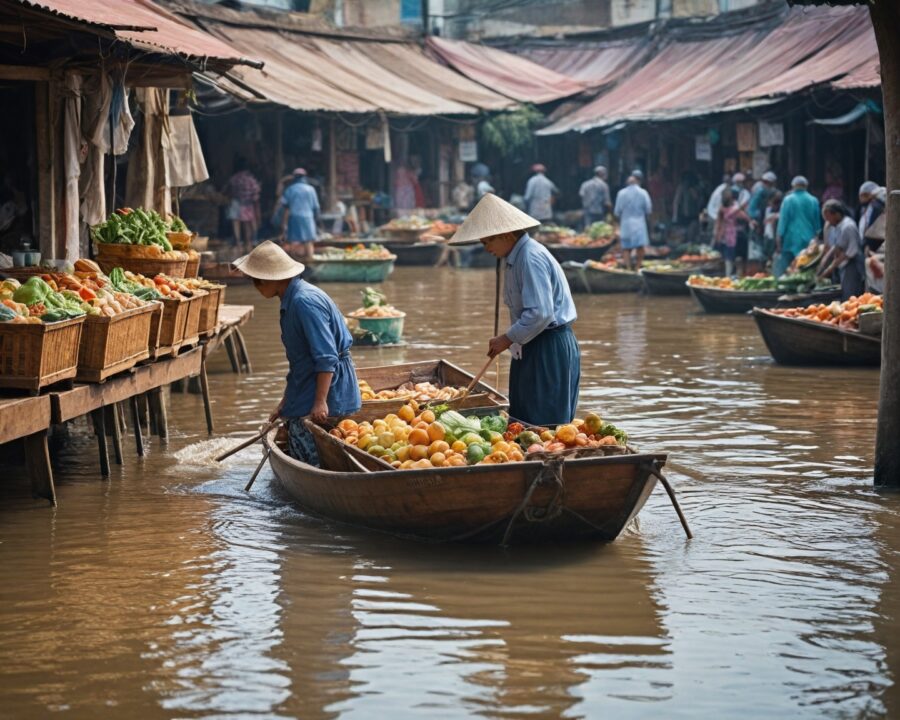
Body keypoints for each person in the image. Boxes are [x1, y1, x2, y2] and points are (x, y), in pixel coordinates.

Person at [448, 194, 579, 426]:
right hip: (531, 344)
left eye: (488, 242)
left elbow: (540, 313)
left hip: (547, 345)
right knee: (522, 418)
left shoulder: (530, 257)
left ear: (507, 235)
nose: (486, 248)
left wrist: (507, 338)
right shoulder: (515, 258)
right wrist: (510, 339)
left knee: (544, 422)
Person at [232, 240, 361, 466]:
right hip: (307, 382)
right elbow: (300, 360)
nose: (255, 286)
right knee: (295, 432)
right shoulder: (291, 299)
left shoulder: (303, 302)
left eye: (257, 280)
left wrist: (320, 402)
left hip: (329, 387)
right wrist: (285, 402)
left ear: (275, 279)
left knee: (310, 451)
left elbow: (326, 356)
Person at [817, 200, 865, 300]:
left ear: (836, 214)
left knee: (850, 296)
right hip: (843, 265)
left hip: (852, 265)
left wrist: (830, 269)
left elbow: (849, 252)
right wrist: (823, 263)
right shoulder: (837, 226)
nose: (828, 222)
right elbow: (836, 246)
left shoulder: (848, 226)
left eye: (828, 218)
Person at [775, 176, 821, 277]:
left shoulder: (788, 200)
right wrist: (816, 240)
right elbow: (817, 225)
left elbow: (783, 221)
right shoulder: (813, 200)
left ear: (793, 186)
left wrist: (778, 239)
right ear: (806, 186)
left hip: (790, 241)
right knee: (806, 272)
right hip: (808, 240)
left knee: (788, 273)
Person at [274, 168, 320, 262]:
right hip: (308, 217)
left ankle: (294, 262)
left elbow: (285, 205)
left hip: (294, 217)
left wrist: (282, 222)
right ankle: (309, 260)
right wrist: (316, 218)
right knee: (308, 241)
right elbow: (316, 207)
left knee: (293, 240)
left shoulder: (290, 189)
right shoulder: (311, 189)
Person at [614, 173, 652, 271]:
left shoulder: (621, 193)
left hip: (626, 223)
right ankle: (637, 267)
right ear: (638, 182)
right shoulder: (643, 193)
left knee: (626, 247)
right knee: (640, 247)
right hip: (639, 222)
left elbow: (617, 211)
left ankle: (628, 267)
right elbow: (648, 209)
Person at [225, 157, 261, 254]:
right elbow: (256, 195)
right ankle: (248, 243)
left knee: (236, 224)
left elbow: (228, 191)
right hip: (247, 204)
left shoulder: (233, 178)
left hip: (235, 203)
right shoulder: (251, 180)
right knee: (247, 225)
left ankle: (238, 243)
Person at [747, 171, 777, 274]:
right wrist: (755, 219)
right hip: (759, 223)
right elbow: (752, 208)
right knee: (759, 246)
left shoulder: (769, 191)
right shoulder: (760, 191)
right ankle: (760, 269)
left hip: (766, 222)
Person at [715, 189, 749, 278]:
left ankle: (730, 275)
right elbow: (743, 216)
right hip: (730, 237)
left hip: (731, 237)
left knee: (730, 258)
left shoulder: (727, 209)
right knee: (730, 258)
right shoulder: (730, 209)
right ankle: (730, 276)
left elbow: (718, 223)